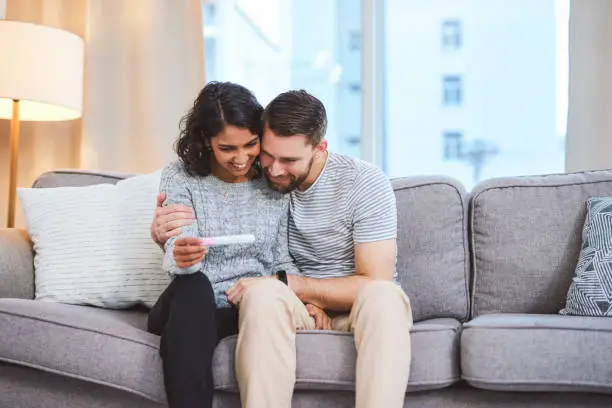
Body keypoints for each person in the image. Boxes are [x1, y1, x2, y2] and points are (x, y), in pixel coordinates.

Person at [151, 90, 413, 408]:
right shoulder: (267, 181)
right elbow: (191, 229)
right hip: (263, 304)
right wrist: (166, 239)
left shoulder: (362, 182)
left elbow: (373, 280)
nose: (273, 170)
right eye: (268, 155)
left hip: (348, 309)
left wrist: (294, 287)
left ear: (320, 148)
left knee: (383, 295)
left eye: (288, 160)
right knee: (250, 293)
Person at [147, 81, 301, 408]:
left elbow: (283, 259)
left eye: (251, 145)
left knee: (258, 304)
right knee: (195, 286)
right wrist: (182, 254)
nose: (241, 159)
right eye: (227, 149)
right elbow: (177, 243)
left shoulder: (274, 181)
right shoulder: (181, 176)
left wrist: (274, 288)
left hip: (243, 309)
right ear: (206, 140)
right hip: (189, 300)